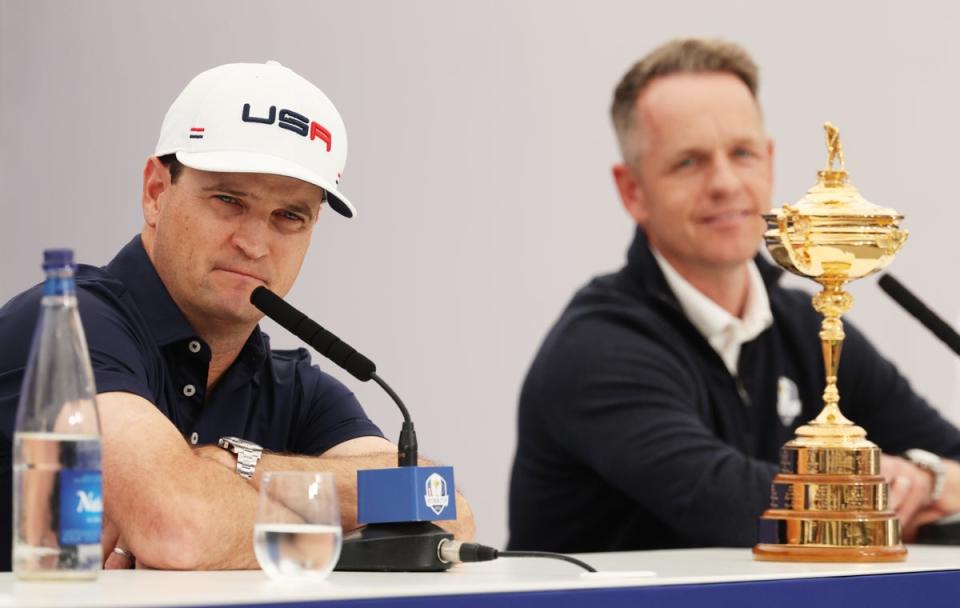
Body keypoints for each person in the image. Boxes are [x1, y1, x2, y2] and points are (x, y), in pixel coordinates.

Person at [0, 61, 473, 571]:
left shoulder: (295, 386)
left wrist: (230, 464)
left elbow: (443, 514)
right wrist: (329, 520)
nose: (253, 245)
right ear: (156, 193)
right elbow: (181, 527)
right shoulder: (62, 329)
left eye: (289, 216)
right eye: (228, 200)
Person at [508, 38, 960, 553]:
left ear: (768, 162)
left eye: (742, 153)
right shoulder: (595, 349)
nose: (725, 183)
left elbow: (953, 458)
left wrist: (929, 478)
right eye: (688, 162)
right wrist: (894, 493)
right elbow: (737, 507)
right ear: (632, 190)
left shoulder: (807, 326)